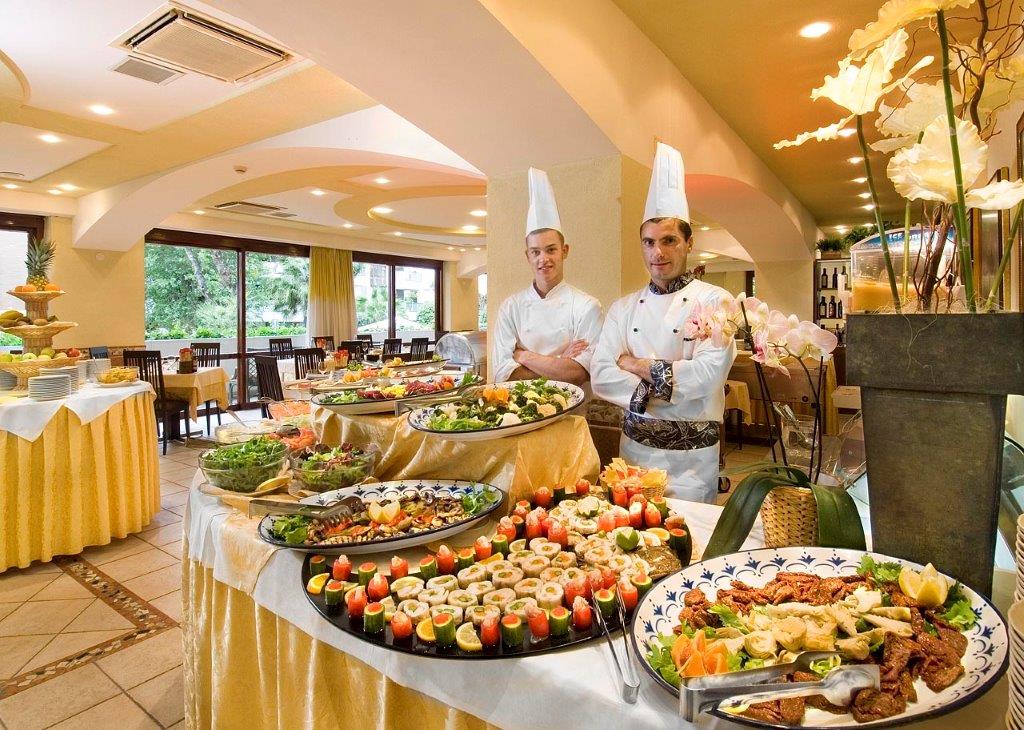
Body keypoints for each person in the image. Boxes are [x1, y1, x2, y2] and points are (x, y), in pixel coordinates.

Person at [591, 143, 736, 503]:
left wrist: (634, 364)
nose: (658, 252)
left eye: (670, 240)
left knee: (690, 531)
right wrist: (670, 387)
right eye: (649, 242)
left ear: (689, 243)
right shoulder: (623, 308)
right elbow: (601, 375)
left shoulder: (715, 302)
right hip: (633, 456)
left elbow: (708, 375)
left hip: (692, 463)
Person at [491, 168, 603, 386]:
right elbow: (503, 374)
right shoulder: (510, 308)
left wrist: (523, 356)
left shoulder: (587, 306)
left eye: (551, 250)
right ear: (528, 256)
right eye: (535, 252)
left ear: (565, 251)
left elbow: (578, 373)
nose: (543, 259)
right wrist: (560, 361)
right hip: (520, 406)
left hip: (574, 407)